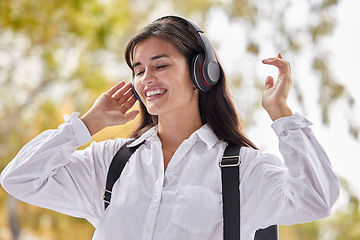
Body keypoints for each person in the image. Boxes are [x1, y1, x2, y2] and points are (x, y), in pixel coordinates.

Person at [0, 16, 340, 240]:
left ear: (202, 74)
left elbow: (317, 199)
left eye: (160, 65)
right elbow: (19, 179)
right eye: (138, 70)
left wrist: (281, 114)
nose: (146, 79)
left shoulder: (242, 170)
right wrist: (86, 126)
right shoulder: (110, 163)